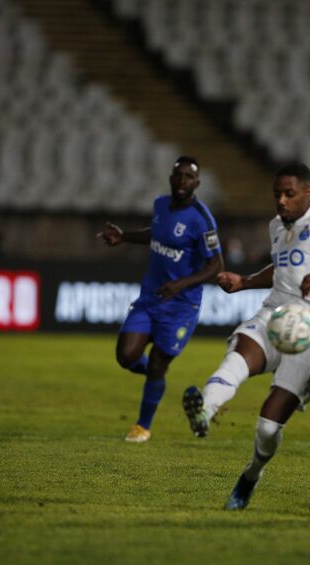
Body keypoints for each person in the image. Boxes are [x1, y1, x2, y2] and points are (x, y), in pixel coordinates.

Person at [182, 162, 310, 510]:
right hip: (275, 313)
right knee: (239, 352)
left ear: (308, 193)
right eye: (277, 194)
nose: (282, 202)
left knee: (267, 428)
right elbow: (282, 269)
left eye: (290, 194)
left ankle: (252, 474)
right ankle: (205, 410)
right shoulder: (277, 226)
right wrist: (244, 281)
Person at [97, 156, 223, 443]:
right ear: (171, 177)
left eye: (189, 177)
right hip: (151, 298)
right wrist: (125, 237)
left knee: (157, 363)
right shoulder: (160, 205)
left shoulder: (202, 219)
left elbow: (216, 266)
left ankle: (143, 426)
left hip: (181, 306)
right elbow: (158, 233)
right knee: (126, 356)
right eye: (178, 175)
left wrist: (181, 284)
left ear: (197, 184)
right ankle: (157, 380)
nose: (182, 181)